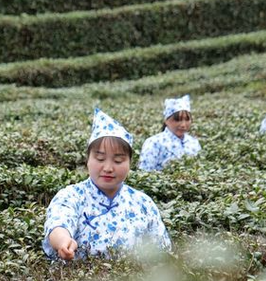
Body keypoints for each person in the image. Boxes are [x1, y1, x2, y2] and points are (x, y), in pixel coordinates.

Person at [43, 108, 171, 260]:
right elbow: (59, 223)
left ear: (130, 163)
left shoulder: (143, 203)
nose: (108, 168)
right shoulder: (71, 196)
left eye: (118, 160)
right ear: (88, 160)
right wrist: (63, 241)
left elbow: (162, 252)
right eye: (100, 159)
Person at [139, 94, 201, 171]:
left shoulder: (194, 142)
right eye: (177, 120)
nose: (183, 125)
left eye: (187, 120)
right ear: (166, 120)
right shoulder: (154, 143)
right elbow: (145, 172)